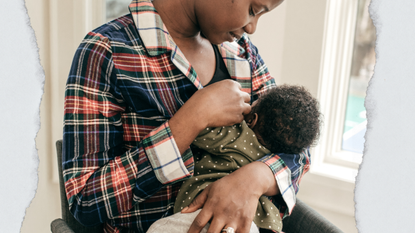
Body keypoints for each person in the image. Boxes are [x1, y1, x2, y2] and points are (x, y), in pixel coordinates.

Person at [62, 0, 311, 232]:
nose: (252, 27)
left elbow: (298, 147)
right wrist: (193, 118)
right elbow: (85, 201)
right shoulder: (107, 51)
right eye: (253, 10)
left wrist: (254, 178)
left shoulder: (244, 55)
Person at [146, 85, 321, 233]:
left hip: (203, 210)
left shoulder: (233, 134)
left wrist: (204, 110)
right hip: (253, 221)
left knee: (158, 229)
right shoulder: (280, 153)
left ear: (252, 119)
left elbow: (198, 133)